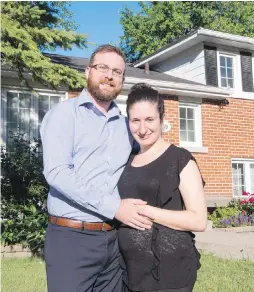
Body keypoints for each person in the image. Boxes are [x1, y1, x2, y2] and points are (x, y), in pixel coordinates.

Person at [40, 45, 153, 292]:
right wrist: (115, 207)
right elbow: (57, 172)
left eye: (117, 71)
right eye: (103, 68)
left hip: (112, 241)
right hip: (71, 240)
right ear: (87, 71)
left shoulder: (127, 126)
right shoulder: (64, 115)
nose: (109, 75)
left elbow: (150, 154)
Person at [117, 83, 208, 292]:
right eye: (135, 121)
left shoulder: (180, 159)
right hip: (128, 273)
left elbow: (199, 220)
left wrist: (145, 211)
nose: (142, 129)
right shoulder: (126, 161)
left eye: (149, 119)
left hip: (170, 275)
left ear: (161, 119)